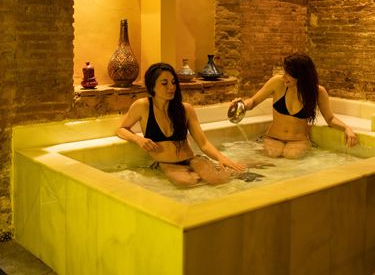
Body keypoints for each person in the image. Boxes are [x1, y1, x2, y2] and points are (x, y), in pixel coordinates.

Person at [116, 62, 246, 187]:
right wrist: (138, 139)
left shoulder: (185, 109)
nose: (171, 87)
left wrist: (222, 158)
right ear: (152, 86)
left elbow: (204, 144)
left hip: (191, 159)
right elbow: (121, 129)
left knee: (219, 180)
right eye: (164, 83)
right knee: (187, 182)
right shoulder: (142, 106)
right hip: (167, 163)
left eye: (173, 82)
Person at [231, 52, 357, 159]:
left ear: (301, 75)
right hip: (273, 137)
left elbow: (330, 119)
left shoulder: (318, 92)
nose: (284, 76)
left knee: (292, 156)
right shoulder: (277, 83)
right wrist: (242, 104)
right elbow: (253, 102)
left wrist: (347, 128)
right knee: (272, 154)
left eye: (288, 73)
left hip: (298, 140)